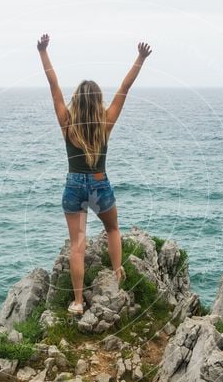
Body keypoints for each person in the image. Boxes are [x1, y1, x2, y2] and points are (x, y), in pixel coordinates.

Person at [37, 33, 152, 315]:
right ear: (98, 100)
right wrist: (140, 58)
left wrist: (43, 52)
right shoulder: (105, 122)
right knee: (112, 229)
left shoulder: (67, 123)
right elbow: (125, 87)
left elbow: (53, 86)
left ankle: (77, 302)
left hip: (73, 186)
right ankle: (117, 272)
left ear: (76, 100)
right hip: (100, 185)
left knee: (77, 245)